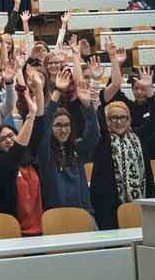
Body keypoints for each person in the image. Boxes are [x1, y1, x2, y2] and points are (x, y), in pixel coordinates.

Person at [36, 70, 99, 213]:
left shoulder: (77, 148)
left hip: (84, 211)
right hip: (57, 213)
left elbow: (94, 135)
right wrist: (57, 91)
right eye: (58, 125)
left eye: (66, 125)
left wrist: (87, 106)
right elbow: (44, 125)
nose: (63, 130)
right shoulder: (45, 153)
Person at [0, 69, 44, 236]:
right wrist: (30, 116)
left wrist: (39, 88)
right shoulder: (0, 165)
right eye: (2, 139)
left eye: (10, 135)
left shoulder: (30, 158)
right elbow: (17, 150)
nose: (8, 140)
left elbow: (39, 124)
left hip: (41, 229)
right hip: (15, 231)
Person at [91, 100, 155, 230]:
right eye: (114, 117)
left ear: (129, 119)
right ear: (107, 120)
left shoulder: (138, 138)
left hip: (140, 204)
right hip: (108, 209)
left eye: (123, 118)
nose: (119, 122)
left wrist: (150, 93)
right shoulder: (102, 140)